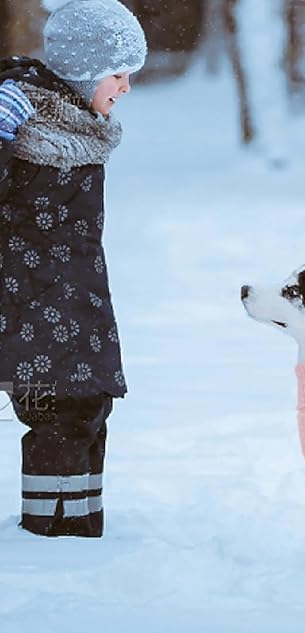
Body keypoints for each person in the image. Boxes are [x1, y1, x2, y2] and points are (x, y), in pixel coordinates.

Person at [0, 0, 147, 537]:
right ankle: (52, 543)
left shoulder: (80, 129)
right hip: (30, 316)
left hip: (76, 309)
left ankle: (82, 531)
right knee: (56, 419)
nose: (126, 86)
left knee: (88, 412)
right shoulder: (23, 121)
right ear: (85, 72)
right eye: (118, 73)